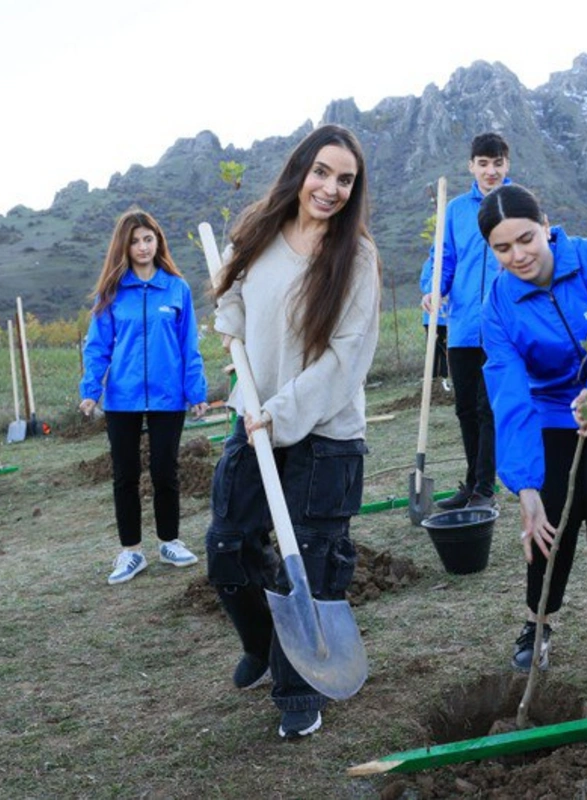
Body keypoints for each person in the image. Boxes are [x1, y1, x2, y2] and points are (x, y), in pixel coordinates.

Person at [207, 124, 380, 740]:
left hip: (324, 432)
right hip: (251, 423)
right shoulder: (256, 233)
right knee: (227, 547)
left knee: (307, 560)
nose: (330, 188)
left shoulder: (355, 259)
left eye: (345, 180)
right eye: (322, 172)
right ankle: (262, 640)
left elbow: (346, 358)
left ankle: (297, 688)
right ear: (300, 170)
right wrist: (230, 322)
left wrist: (281, 411)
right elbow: (234, 304)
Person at [480, 185, 587, 681]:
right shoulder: (499, 303)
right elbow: (510, 396)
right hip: (552, 405)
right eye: (503, 248)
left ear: (546, 224)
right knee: (551, 507)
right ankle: (537, 624)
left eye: (526, 239)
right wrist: (526, 488)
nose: (518, 256)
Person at [80, 210, 209, 585]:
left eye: (148, 239)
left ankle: (170, 541)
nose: (142, 247)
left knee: (166, 471)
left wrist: (195, 391)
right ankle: (131, 552)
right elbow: (97, 347)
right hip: (122, 398)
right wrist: (91, 391)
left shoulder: (176, 289)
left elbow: (189, 347)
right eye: (135, 240)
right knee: (126, 476)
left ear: (158, 242)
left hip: (169, 398)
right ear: (124, 246)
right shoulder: (111, 293)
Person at [420, 132, 512, 510]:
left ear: (508, 165)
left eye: (498, 163)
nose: (491, 171)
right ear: (471, 165)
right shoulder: (456, 210)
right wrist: (433, 287)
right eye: (483, 163)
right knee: (465, 409)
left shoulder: (517, 203)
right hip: (462, 325)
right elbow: (443, 257)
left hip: (503, 325)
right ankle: (472, 481)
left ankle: (485, 490)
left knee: (488, 406)